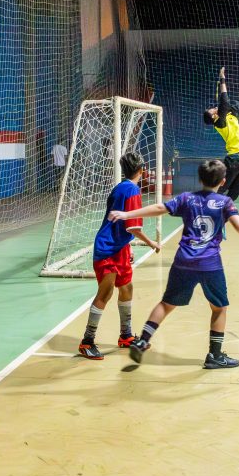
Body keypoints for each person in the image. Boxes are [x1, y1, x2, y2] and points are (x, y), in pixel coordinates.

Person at [107, 159, 239, 369]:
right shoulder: (224, 202)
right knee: (219, 308)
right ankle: (215, 356)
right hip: (209, 264)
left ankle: (142, 341)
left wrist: (127, 214)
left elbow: (160, 207)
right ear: (223, 181)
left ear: (200, 178)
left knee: (167, 304)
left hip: (183, 261)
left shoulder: (187, 198)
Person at [78, 152, 161, 359]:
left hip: (119, 247)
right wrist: (151, 243)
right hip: (108, 248)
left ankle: (125, 336)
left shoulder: (121, 187)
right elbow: (133, 225)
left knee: (126, 288)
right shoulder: (132, 189)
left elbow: (122, 224)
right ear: (142, 169)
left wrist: (128, 246)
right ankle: (87, 341)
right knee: (105, 293)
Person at [202, 67, 239, 201]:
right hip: (233, 159)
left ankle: (223, 212)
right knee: (222, 187)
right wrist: (222, 78)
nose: (213, 108)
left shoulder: (229, 116)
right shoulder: (220, 122)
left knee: (234, 192)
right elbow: (224, 99)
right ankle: (207, 205)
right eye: (211, 110)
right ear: (213, 117)